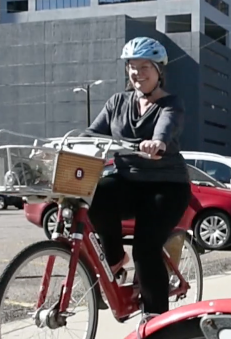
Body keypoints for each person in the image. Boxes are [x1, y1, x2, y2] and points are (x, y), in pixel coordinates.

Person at [86, 36, 191, 316]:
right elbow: (92, 134)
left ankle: (156, 321)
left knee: (146, 248)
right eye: (132, 66)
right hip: (127, 182)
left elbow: (166, 129)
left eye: (145, 67)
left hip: (166, 186)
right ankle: (116, 257)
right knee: (95, 196)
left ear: (159, 72)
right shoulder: (117, 103)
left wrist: (157, 143)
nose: (137, 73)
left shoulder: (171, 104)